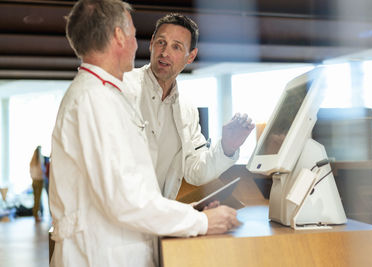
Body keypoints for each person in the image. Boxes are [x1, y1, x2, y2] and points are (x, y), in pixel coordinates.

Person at [49, 1, 239, 267]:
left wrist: (186, 213)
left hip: (122, 243)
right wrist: (201, 221)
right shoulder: (95, 99)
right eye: (133, 31)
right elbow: (125, 199)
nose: (138, 42)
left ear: (190, 55)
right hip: (100, 253)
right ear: (118, 36)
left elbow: (134, 190)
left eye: (176, 46)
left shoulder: (101, 94)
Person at [124, 13, 255, 200]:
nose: (165, 53)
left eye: (176, 47)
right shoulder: (122, 88)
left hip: (154, 218)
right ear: (152, 43)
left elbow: (196, 171)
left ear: (190, 56)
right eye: (161, 42)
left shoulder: (187, 110)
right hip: (114, 216)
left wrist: (227, 147)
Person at [30, 145, 44, 222]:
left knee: (35, 198)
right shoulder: (39, 160)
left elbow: (31, 172)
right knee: (38, 199)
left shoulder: (32, 162)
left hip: (34, 181)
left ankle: (35, 214)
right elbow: (42, 171)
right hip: (39, 181)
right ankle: (36, 215)